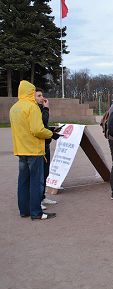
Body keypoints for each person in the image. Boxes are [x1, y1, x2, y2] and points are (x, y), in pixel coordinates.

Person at [9, 80, 60, 220]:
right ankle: (36, 212)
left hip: (21, 149)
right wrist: (52, 134)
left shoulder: (14, 108)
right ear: (30, 92)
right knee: (36, 182)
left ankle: (24, 210)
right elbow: (38, 130)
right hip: (34, 150)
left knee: (23, 182)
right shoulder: (32, 107)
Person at [34, 88, 59, 210]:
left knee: (45, 172)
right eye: (38, 96)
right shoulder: (35, 109)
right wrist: (46, 108)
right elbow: (42, 123)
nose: (42, 98)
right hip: (39, 146)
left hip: (45, 144)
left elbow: (44, 126)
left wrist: (51, 130)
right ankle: (37, 200)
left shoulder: (39, 108)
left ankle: (42, 196)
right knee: (39, 174)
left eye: (41, 95)